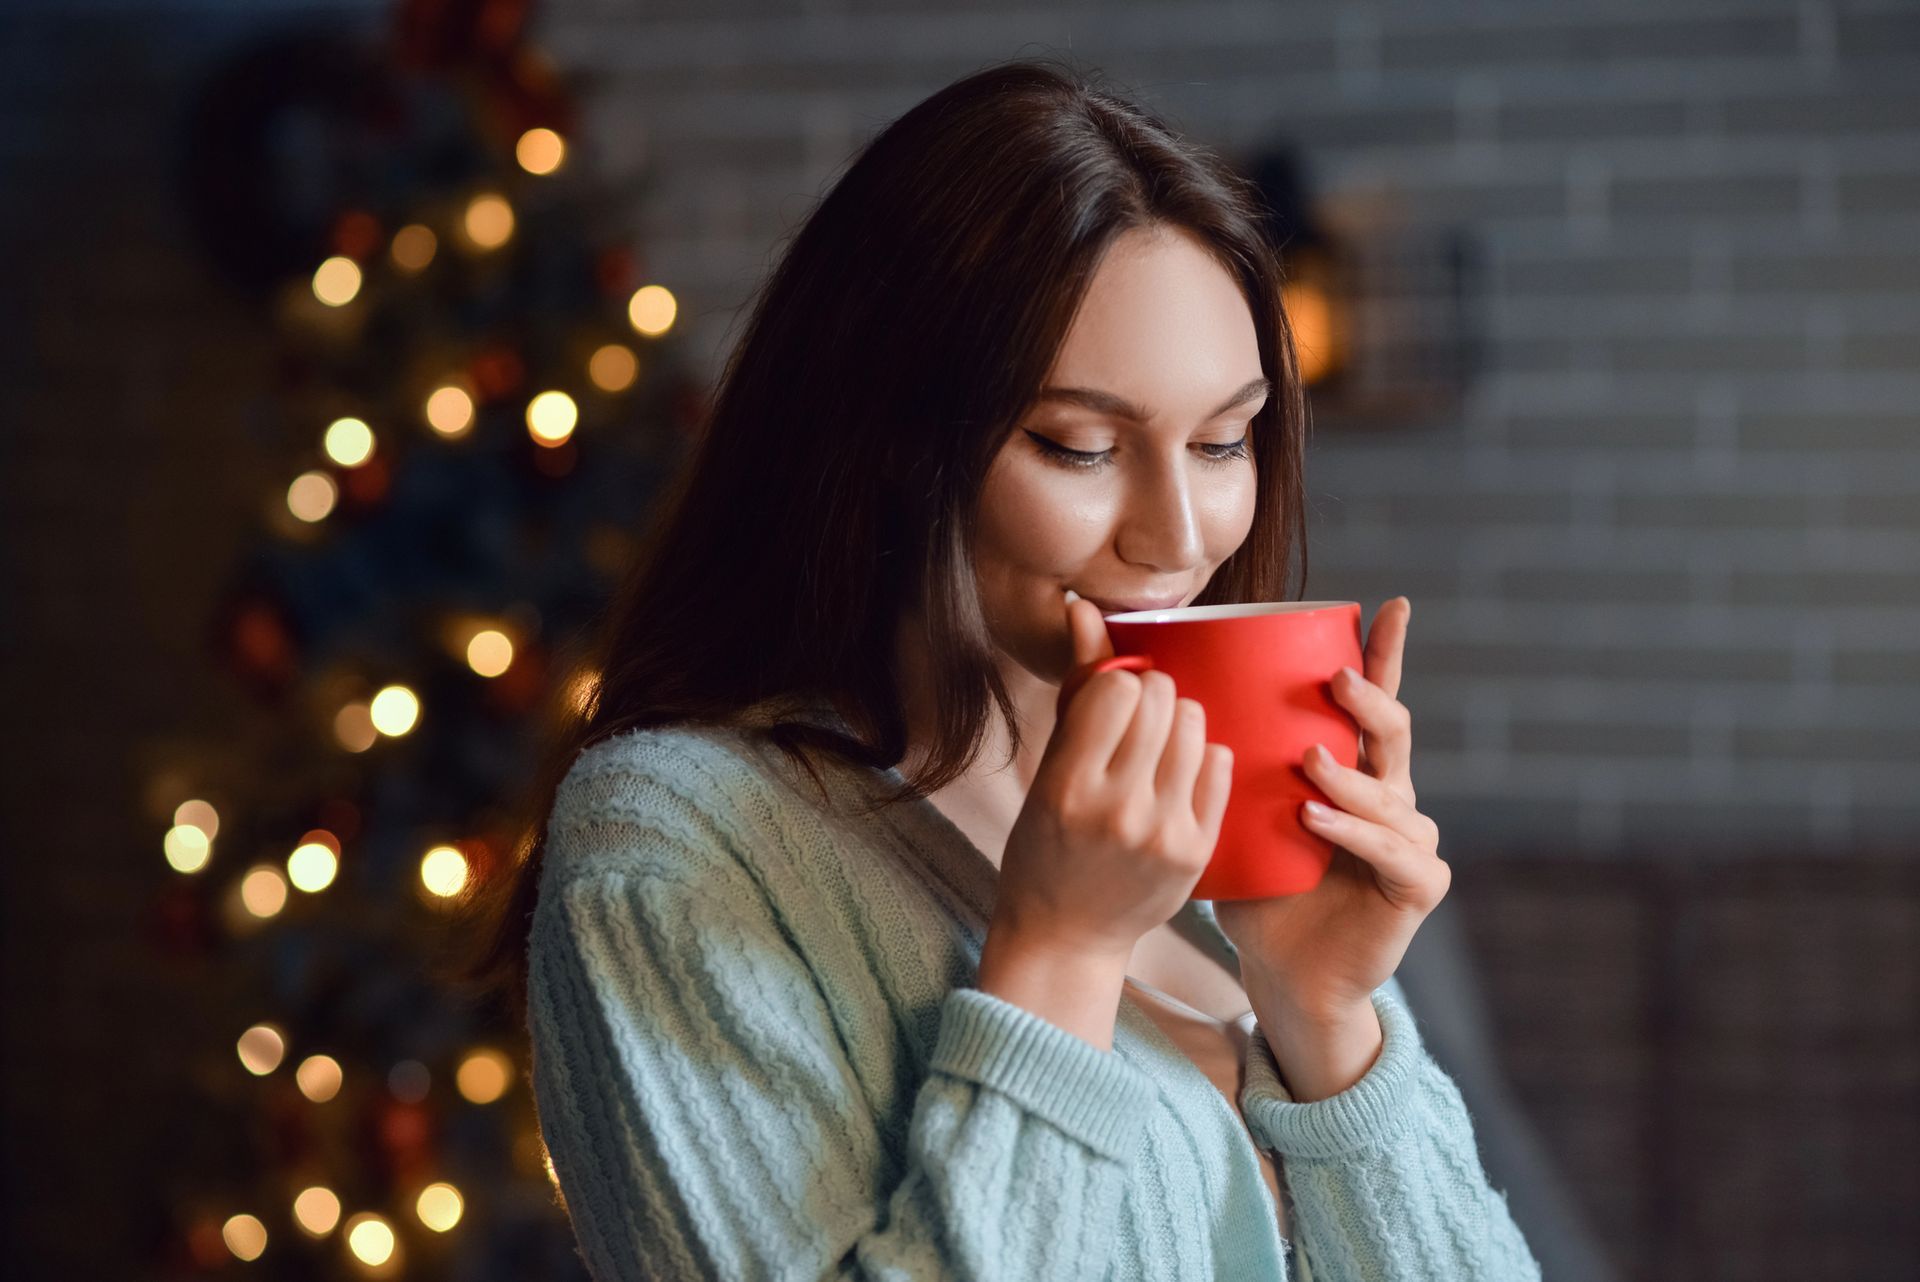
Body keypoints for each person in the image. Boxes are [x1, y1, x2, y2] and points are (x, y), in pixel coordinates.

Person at [458, 56, 1544, 1281]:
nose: (1181, 536)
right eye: (1080, 446)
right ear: (886, 440)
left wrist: (1327, 1020)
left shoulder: (1227, 845)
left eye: (1225, 440)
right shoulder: (676, 846)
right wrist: (1059, 957)